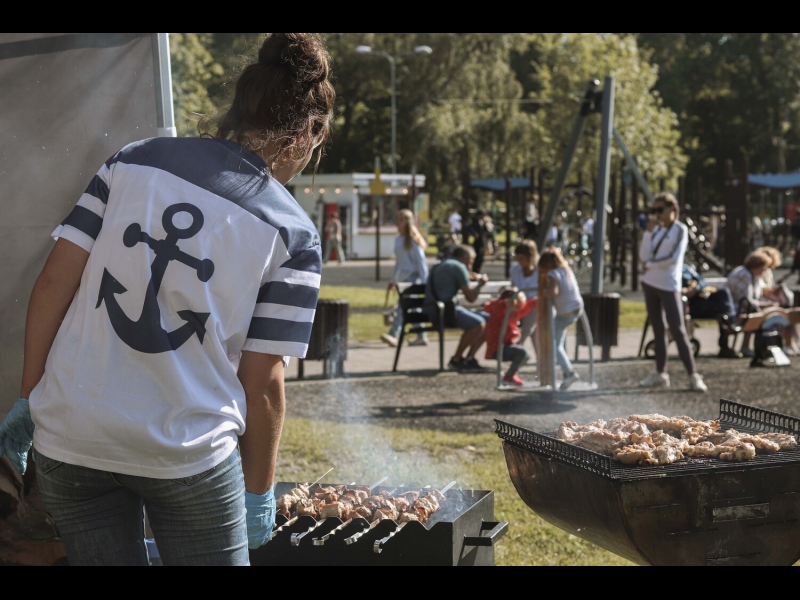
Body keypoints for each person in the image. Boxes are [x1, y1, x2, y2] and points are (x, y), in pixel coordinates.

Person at [0, 33, 335, 566]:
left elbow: (52, 285)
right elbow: (262, 383)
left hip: (71, 437)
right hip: (186, 453)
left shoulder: (132, 161)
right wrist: (258, 493)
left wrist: (29, 398)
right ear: (301, 138)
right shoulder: (294, 235)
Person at [639, 192, 708, 392]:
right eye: (654, 210)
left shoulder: (680, 229)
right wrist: (648, 233)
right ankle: (661, 373)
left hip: (669, 285)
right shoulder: (657, 230)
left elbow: (673, 258)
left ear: (672, 208)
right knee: (658, 329)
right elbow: (643, 255)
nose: (657, 214)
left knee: (678, 329)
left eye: (660, 209)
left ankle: (693, 375)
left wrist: (650, 265)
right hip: (650, 283)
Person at [425, 245, 489, 372]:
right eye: (471, 262)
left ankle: (469, 359)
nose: (470, 266)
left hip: (433, 310)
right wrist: (480, 284)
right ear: (464, 257)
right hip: (445, 312)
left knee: (489, 319)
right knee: (479, 324)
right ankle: (457, 359)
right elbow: (471, 298)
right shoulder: (459, 267)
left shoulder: (441, 264)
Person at [381, 209, 429, 348]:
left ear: (407, 222)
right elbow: (399, 263)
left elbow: (421, 263)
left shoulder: (413, 241)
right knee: (412, 308)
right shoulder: (398, 239)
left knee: (402, 306)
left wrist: (425, 283)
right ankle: (421, 336)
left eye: (401, 219)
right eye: (397, 219)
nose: (398, 222)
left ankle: (393, 334)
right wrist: (393, 280)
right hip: (403, 277)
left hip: (413, 278)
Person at [539, 248, 584, 391]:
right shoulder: (565, 270)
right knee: (558, 342)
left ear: (547, 265)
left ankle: (568, 372)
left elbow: (553, 292)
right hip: (577, 308)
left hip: (565, 312)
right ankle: (567, 373)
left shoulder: (552, 274)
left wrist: (542, 293)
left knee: (553, 344)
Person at [728, 251, 780, 358]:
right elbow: (745, 299)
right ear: (757, 265)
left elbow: (755, 297)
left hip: (743, 307)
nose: (765, 269)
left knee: (762, 312)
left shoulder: (752, 275)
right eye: (764, 266)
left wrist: (767, 303)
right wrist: (765, 304)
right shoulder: (744, 275)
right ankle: (752, 347)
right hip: (735, 307)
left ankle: (758, 346)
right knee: (755, 312)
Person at [681, 265, 740, 358]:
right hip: (688, 303)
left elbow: (701, 281)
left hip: (699, 298)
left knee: (723, 293)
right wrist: (681, 290)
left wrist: (695, 289)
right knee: (723, 312)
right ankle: (731, 322)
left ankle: (729, 319)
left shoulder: (686, 269)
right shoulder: (667, 269)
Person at [484, 289, 537, 386]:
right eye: (517, 306)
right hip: (497, 348)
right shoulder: (500, 310)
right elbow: (491, 306)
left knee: (524, 354)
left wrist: (535, 301)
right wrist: (504, 303)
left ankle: (510, 375)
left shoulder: (513, 312)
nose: (518, 309)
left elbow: (526, 307)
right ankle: (509, 376)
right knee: (523, 353)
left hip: (506, 345)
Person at [510, 240, 540, 353]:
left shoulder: (540, 270)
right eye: (518, 258)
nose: (519, 261)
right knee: (534, 333)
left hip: (538, 307)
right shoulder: (515, 269)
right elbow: (513, 288)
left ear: (530, 257)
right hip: (521, 306)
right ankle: (520, 345)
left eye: (522, 258)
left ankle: (520, 342)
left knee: (533, 310)